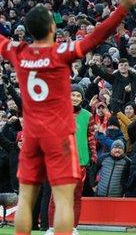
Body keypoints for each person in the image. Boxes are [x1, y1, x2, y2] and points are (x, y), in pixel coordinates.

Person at [0, 0, 136, 235]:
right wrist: (121, 9)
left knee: (25, 200)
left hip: (32, 135)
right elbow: (97, 37)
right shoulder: (61, 52)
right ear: (52, 28)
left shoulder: (19, 52)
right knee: (63, 200)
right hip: (59, 136)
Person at [45, 85, 94, 235]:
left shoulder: (88, 116)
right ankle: (53, 228)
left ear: (82, 98)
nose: (75, 98)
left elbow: (91, 138)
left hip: (80, 163)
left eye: (78, 96)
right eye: (72, 95)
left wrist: (93, 156)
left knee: (76, 197)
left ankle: (73, 228)